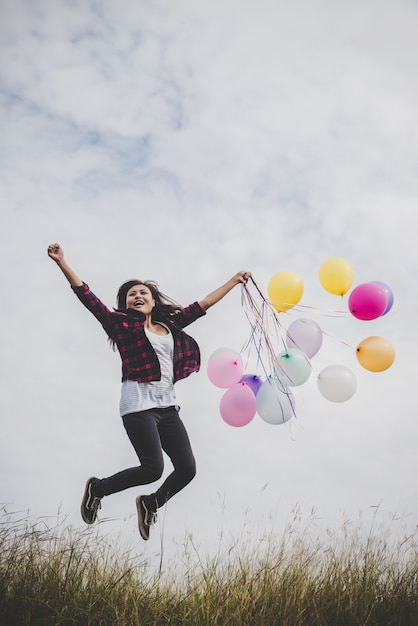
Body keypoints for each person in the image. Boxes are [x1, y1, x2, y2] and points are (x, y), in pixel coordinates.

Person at [47, 243, 251, 540]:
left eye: (143, 293)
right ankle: (98, 489)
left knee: (187, 469)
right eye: (132, 294)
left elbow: (203, 304)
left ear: (154, 301)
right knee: (152, 469)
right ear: (127, 304)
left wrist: (234, 280)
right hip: (138, 407)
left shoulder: (170, 325)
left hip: (168, 408)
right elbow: (87, 298)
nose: (138, 296)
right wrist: (62, 262)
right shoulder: (120, 325)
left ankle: (151, 503)